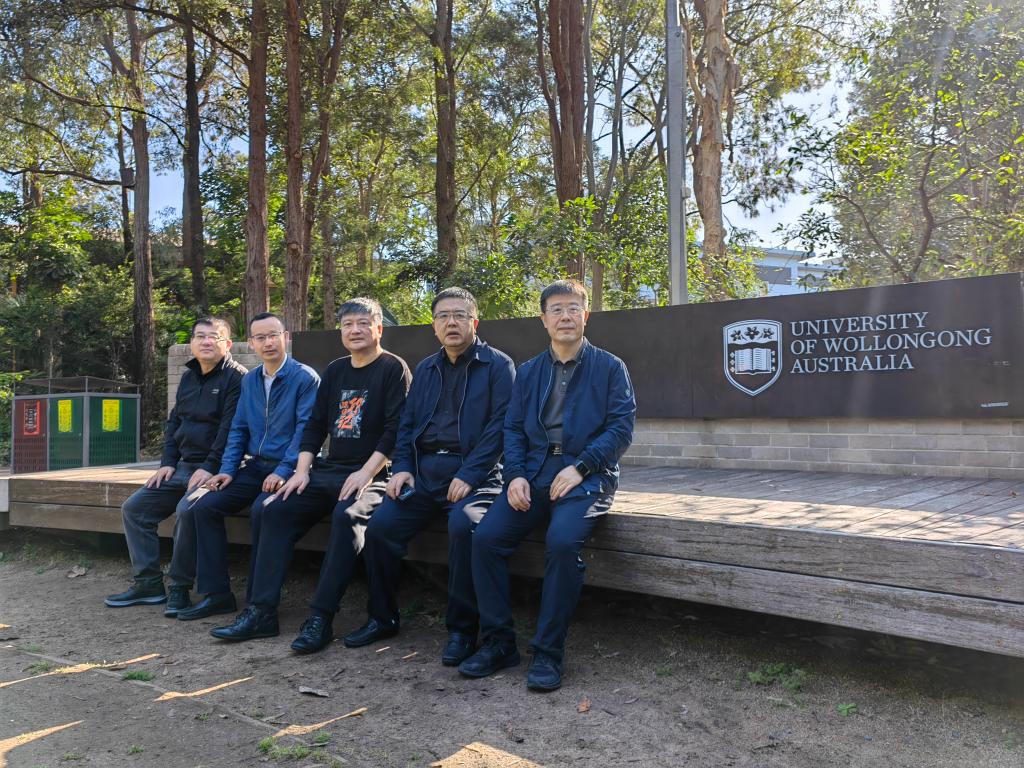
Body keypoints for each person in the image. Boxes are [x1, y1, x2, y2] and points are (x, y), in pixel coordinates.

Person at [459, 279, 635, 691]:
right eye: (556, 309)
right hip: (534, 472)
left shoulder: (610, 367)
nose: (565, 316)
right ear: (544, 319)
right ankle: (499, 643)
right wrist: (516, 474)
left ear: (585, 315)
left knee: (561, 542)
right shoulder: (529, 371)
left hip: (587, 476)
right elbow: (513, 428)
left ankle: (548, 652)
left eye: (573, 308)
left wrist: (582, 467)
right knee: (485, 538)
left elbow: (621, 428)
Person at [207, 298, 411, 650]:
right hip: (329, 469)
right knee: (273, 508)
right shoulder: (335, 370)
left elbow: (396, 430)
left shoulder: (394, 368)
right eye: (348, 325)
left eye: (363, 323)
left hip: (376, 473)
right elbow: (314, 426)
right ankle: (261, 612)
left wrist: (365, 473)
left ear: (378, 328)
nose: (355, 330)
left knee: (346, 516)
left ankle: (321, 617)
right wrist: (301, 471)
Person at [343, 287, 515, 668]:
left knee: (463, 527)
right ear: (434, 326)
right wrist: (403, 466)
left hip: (477, 475)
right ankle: (382, 618)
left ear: (474, 321)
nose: (451, 322)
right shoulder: (425, 369)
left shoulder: (498, 366)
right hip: (424, 473)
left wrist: (470, 473)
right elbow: (406, 424)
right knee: (381, 527)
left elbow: (501, 427)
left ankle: (462, 631)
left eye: (459, 315)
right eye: (442, 316)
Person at [177, 312, 319, 635]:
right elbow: (238, 428)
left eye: (274, 335)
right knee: (202, 506)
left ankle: (259, 608)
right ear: (251, 343)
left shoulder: (304, 378)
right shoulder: (251, 380)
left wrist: (284, 469)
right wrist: (227, 470)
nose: (268, 342)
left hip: (291, 468)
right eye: (260, 337)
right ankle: (217, 594)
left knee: (262, 510)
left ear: (286, 337)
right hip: (254, 466)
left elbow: (306, 430)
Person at [105, 317, 247, 616]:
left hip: (219, 468)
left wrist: (210, 465)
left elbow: (232, 428)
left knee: (187, 510)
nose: (206, 341)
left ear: (228, 343)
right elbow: (174, 423)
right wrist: (167, 462)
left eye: (214, 336)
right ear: (192, 343)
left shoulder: (237, 378)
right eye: (200, 336)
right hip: (183, 466)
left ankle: (180, 586)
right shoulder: (188, 377)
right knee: (134, 509)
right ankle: (148, 584)